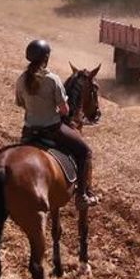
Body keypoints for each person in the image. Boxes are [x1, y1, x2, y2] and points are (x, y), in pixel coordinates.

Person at [15, 39, 99, 207]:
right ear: (46, 58)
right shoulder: (53, 79)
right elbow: (65, 110)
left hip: (29, 131)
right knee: (84, 152)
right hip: (52, 130)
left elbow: (20, 103)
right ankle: (82, 195)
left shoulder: (21, 79)